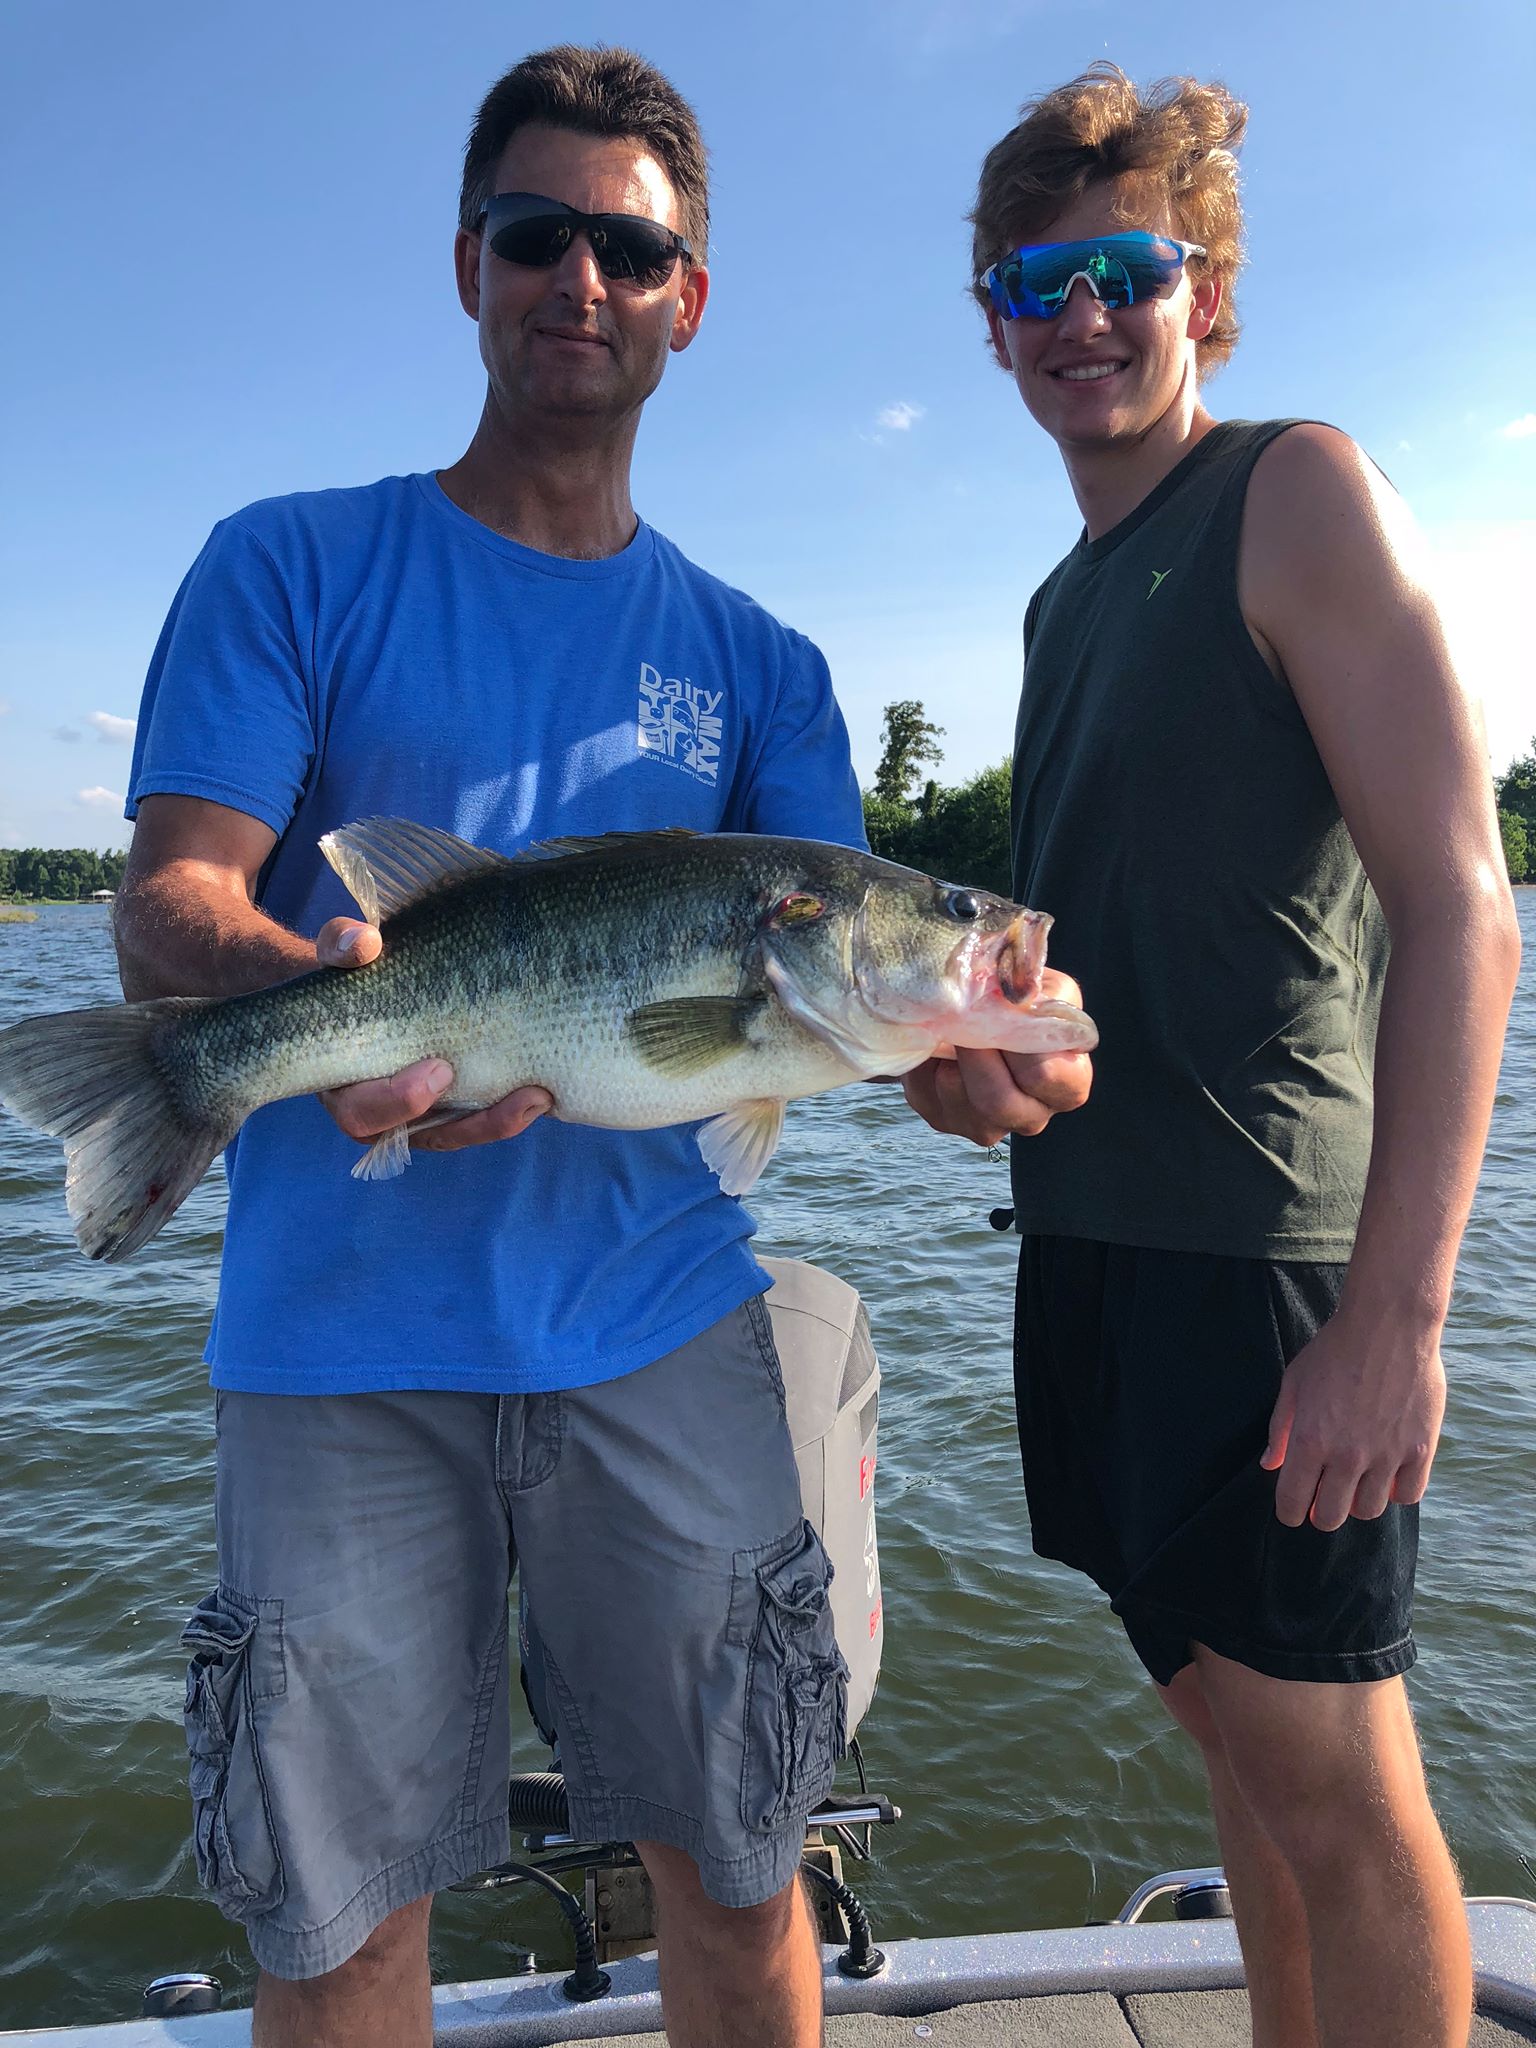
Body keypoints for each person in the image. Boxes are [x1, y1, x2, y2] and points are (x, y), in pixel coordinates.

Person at [117, 45, 929, 2048]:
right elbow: (168, 904)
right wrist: (320, 996)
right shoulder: (290, 562)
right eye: (536, 233)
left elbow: (849, 1000)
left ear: (690, 296)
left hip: (664, 1337)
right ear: (468, 265)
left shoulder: (765, 666)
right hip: (335, 1354)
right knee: (330, 1926)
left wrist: (983, 1059)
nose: (582, 277)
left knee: (745, 1875)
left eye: (628, 246)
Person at [902, 63, 1522, 2048]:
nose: (1081, 316)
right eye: (1035, 281)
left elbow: (1462, 906)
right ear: (992, 322)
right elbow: (1087, 990)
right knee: (1238, 1762)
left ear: (1206, 297)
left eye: (1123, 270)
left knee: (1341, 1793)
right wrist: (973, 1068)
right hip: (1091, 1254)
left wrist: (1396, 1319)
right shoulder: (1061, 599)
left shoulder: (1294, 489)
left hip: (1272, 1275)